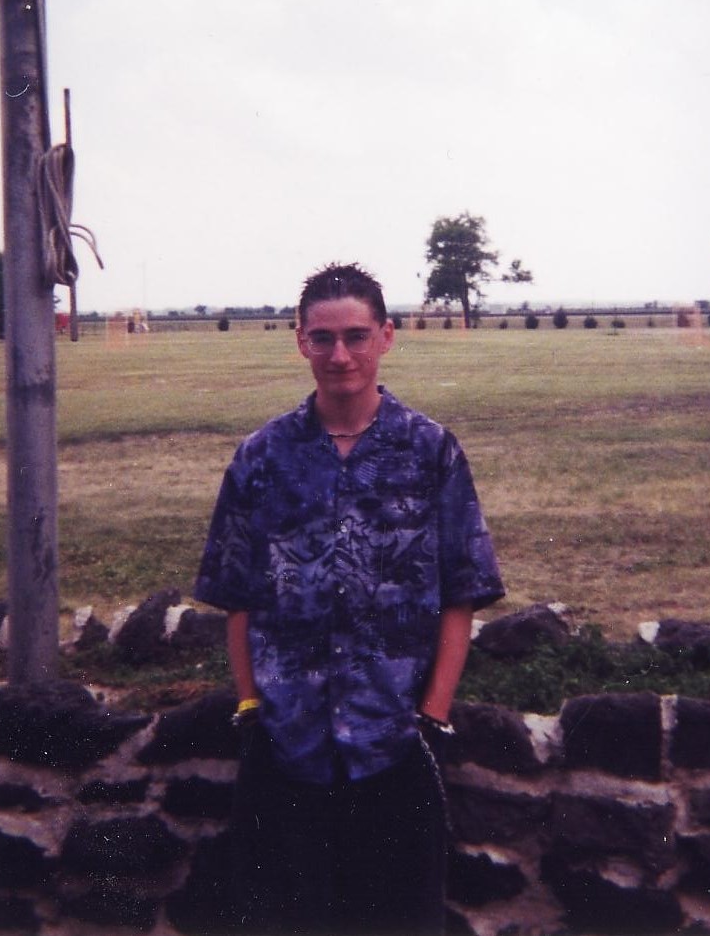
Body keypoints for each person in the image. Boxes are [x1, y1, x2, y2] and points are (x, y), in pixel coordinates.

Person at [194, 262, 504, 934]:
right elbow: (238, 594)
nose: (340, 355)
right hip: (286, 746)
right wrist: (250, 709)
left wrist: (432, 717)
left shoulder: (430, 452)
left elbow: (461, 593)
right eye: (323, 338)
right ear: (300, 342)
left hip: (395, 746)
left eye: (356, 336)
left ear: (385, 337)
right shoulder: (261, 457)